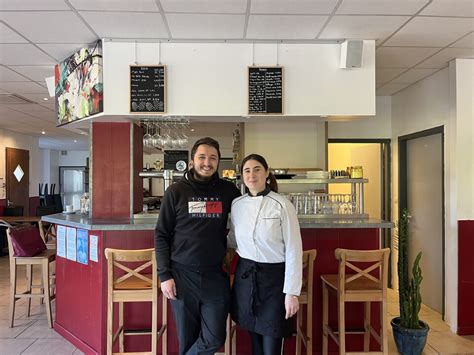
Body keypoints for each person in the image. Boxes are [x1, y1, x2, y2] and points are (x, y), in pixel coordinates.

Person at [155, 137, 240, 355]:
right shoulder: (175, 192)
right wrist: (165, 275)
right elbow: (162, 234)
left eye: (213, 158)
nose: (207, 162)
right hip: (182, 275)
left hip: (215, 275)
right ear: (192, 160)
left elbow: (246, 221)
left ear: (219, 161)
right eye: (202, 157)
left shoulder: (228, 191)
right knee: (188, 338)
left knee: (214, 337)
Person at [228, 154, 303, 355]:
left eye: (257, 169)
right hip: (246, 278)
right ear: (242, 176)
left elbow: (294, 249)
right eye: (247, 170)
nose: (252, 175)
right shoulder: (237, 205)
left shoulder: (282, 205)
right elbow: (234, 240)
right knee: (254, 338)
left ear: (267, 172)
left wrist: (292, 292)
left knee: (272, 340)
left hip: (275, 281)